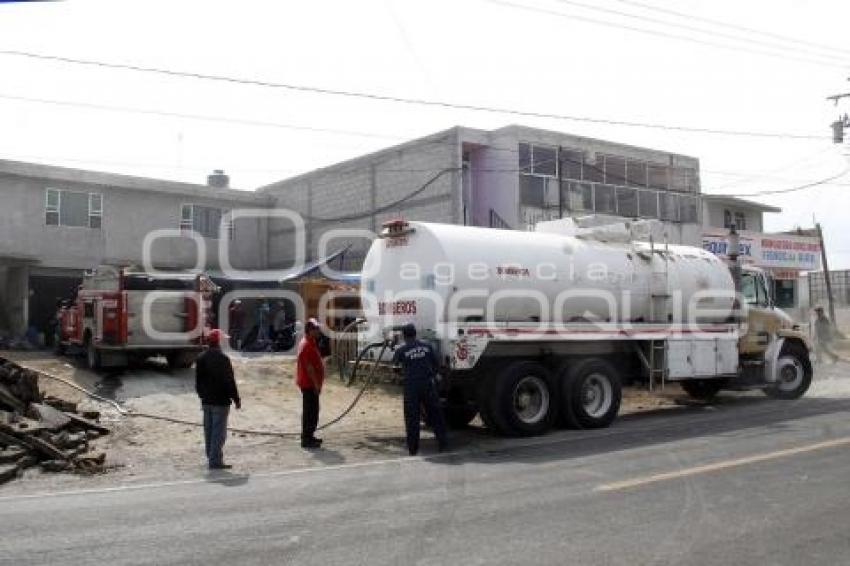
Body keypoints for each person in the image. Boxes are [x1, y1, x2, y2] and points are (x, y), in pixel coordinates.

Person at [392, 323, 448, 456]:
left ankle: (413, 449)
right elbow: (437, 363)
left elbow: (395, 367)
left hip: (411, 387)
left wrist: (402, 376)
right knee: (436, 415)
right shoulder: (428, 346)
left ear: (404, 336)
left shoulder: (401, 350)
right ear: (415, 334)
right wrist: (435, 375)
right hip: (428, 384)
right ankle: (443, 444)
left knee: (412, 418)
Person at [195, 328, 241, 469]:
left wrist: (202, 396)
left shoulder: (201, 358)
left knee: (208, 431)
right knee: (218, 433)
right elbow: (229, 381)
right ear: (219, 342)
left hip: (207, 401)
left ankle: (211, 456)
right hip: (220, 402)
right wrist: (236, 399)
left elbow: (198, 382)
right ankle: (215, 461)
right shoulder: (223, 359)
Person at [296, 318, 325, 449]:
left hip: (310, 383)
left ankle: (309, 436)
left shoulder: (311, 342)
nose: (318, 331)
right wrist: (316, 385)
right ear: (310, 330)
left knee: (313, 411)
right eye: (316, 329)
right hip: (309, 384)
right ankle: (307, 439)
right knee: (310, 412)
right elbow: (309, 368)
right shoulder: (306, 345)